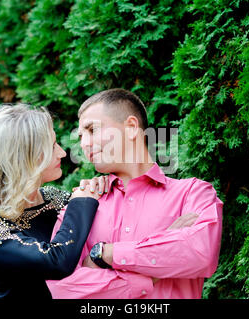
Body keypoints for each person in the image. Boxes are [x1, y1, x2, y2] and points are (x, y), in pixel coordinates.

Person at [46, 88, 223, 299]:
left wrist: (103, 254)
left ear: (130, 127)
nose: (84, 144)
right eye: (81, 136)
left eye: (92, 130)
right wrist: (156, 262)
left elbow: (200, 254)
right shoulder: (80, 206)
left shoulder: (192, 193)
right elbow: (60, 288)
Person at [0, 103, 104, 299]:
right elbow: (57, 261)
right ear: (23, 157)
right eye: (53, 146)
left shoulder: (52, 198)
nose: (62, 153)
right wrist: (82, 202)